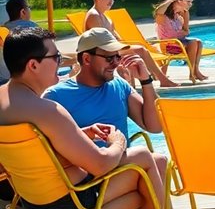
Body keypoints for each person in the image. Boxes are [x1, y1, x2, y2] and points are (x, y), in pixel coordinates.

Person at [0, 27, 164, 209]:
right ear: (33, 65)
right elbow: (100, 165)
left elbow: (35, 154)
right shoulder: (48, 110)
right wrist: (118, 141)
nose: (60, 63)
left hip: (34, 201)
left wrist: (81, 134)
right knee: (142, 157)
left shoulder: (9, 104)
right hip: (74, 198)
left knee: (137, 197)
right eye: (56, 58)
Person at [43, 28, 168, 181]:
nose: (116, 63)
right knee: (152, 162)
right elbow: (48, 150)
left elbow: (155, 126)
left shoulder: (119, 85)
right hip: (88, 175)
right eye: (109, 58)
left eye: (117, 56)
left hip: (123, 166)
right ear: (87, 59)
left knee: (160, 161)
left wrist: (146, 81)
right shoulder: (56, 96)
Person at [84, 0, 178, 87]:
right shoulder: (94, 15)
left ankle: (154, 82)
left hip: (111, 49)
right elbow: (100, 42)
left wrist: (123, 46)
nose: (111, 1)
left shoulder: (105, 17)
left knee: (138, 55)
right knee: (141, 50)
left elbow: (116, 37)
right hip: (102, 52)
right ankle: (162, 80)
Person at [153, 0, 208, 81]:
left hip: (178, 44)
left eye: (191, 2)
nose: (190, 4)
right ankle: (193, 72)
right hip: (167, 46)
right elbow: (158, 11)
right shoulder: (163, 17)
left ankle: (195, 71)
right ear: (178, 1)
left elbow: (186, 32)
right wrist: (171, 0)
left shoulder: (178, 17)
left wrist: (183, 30)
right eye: (188, 2)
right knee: (194, 42)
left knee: (198, 42)